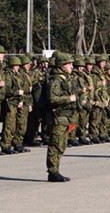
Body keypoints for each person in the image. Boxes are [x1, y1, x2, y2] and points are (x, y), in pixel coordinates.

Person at [46, 52, 78, 182]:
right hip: (57, 117)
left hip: (66, 117)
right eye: (68, 64)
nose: (71, 66)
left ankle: (56, 169)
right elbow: (52, 98)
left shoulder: (66, 79)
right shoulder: (55, 80)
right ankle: (53, 171)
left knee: (62, 144)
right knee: (56, 144)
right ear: (62, 66)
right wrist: (68, 99)